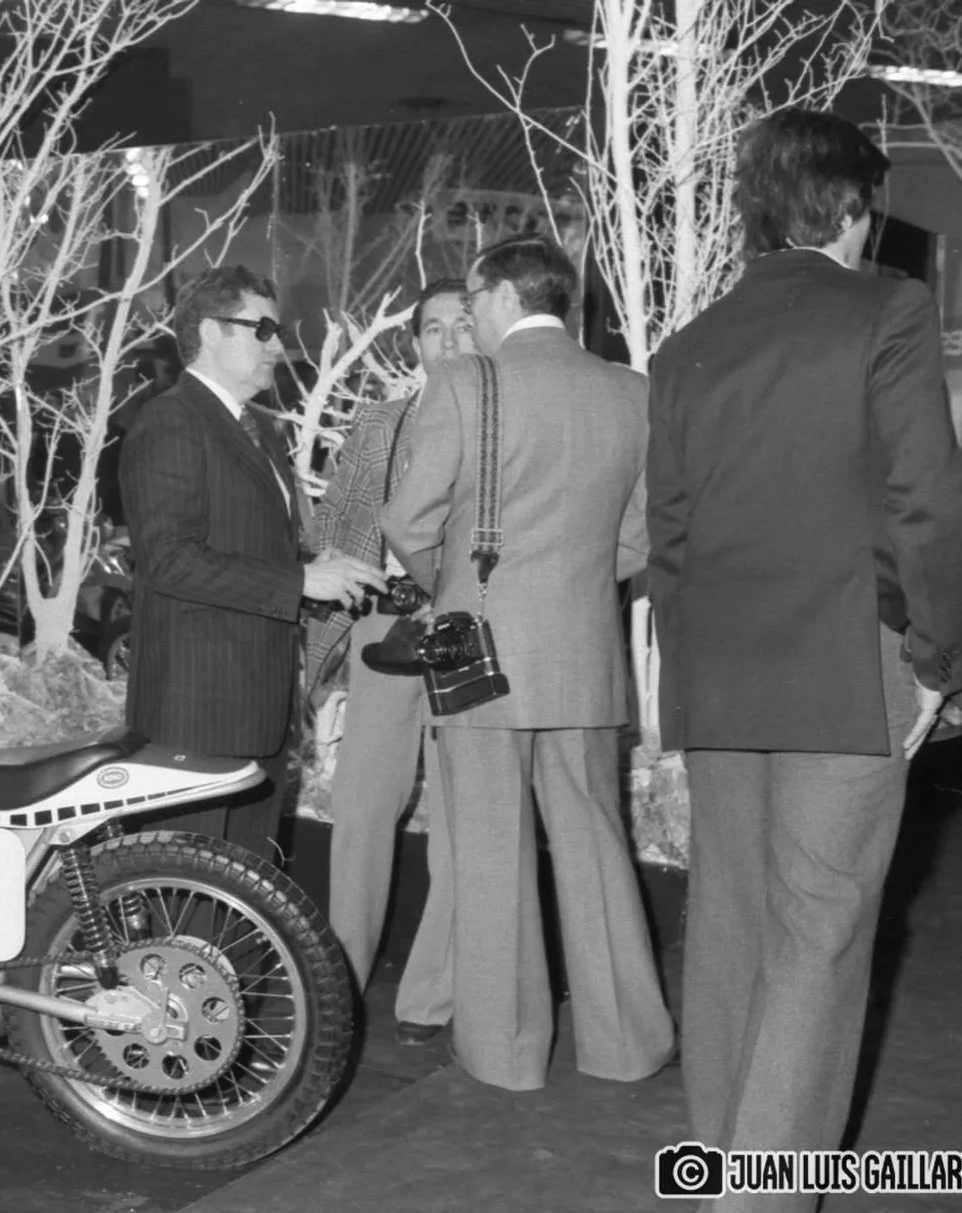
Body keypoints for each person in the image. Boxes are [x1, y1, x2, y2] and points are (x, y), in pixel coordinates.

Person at [646, 109, 962, 1213]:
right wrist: (944, 662)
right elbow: (929, 504)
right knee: (819, 931)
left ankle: (716, 1171)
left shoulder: (689, 345)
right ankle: (758, 1211)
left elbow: (670, 538)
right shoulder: (887, 309)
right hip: (849, 666)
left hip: (720, 674)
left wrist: (682, 682)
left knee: (731, 924)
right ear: (848, 206)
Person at [381, 233, 673, 1092]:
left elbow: (408, 522)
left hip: (479, 653)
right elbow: (640, 536)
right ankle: (626, 1045)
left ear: (506, 296)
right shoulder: (630, 392)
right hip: (582, 650)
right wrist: (568, 586)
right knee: (595, 845)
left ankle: (506, 1053)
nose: (468, 315)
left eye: (473, 300)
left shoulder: (465, 383)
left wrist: (456, 590)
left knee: (490, 851)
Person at [119, 264, 389, 856]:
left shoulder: (258, 429)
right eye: (262, 329)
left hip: (259, 710)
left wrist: (319, 566)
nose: (277, 344)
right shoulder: (170, 421)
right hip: (196, 715)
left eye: (278, 331)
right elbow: (169, 560)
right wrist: (300, 578)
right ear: (209, 332)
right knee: (188, 889)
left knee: (245, 892)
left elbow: (249, 547)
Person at [304, 277, 476, 1038]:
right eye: (434, 329)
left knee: (461, 815)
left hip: (467, 635)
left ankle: (431, 998)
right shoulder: (381, 421)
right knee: (361, 807)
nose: (450, 340)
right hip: (383, 626)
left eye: (463, 324)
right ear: (416, 343)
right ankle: (341, 981)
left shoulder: (505, 423)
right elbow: (337, 521)